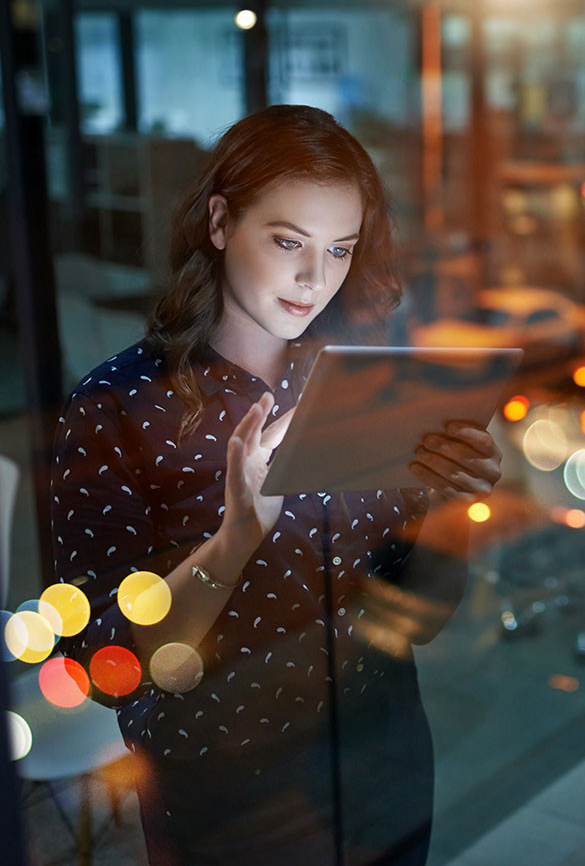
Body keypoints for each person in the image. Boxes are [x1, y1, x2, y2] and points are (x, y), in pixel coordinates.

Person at [51, 105, 502, 866]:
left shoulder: (358, 382)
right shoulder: (120, 404)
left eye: (338, 250)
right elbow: (105, 663)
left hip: (381, 767)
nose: (312, 279)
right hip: (228, 799)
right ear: (222, 222)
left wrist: (454, 500)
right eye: (288, 241)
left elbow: (418, 612)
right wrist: (235, 538)